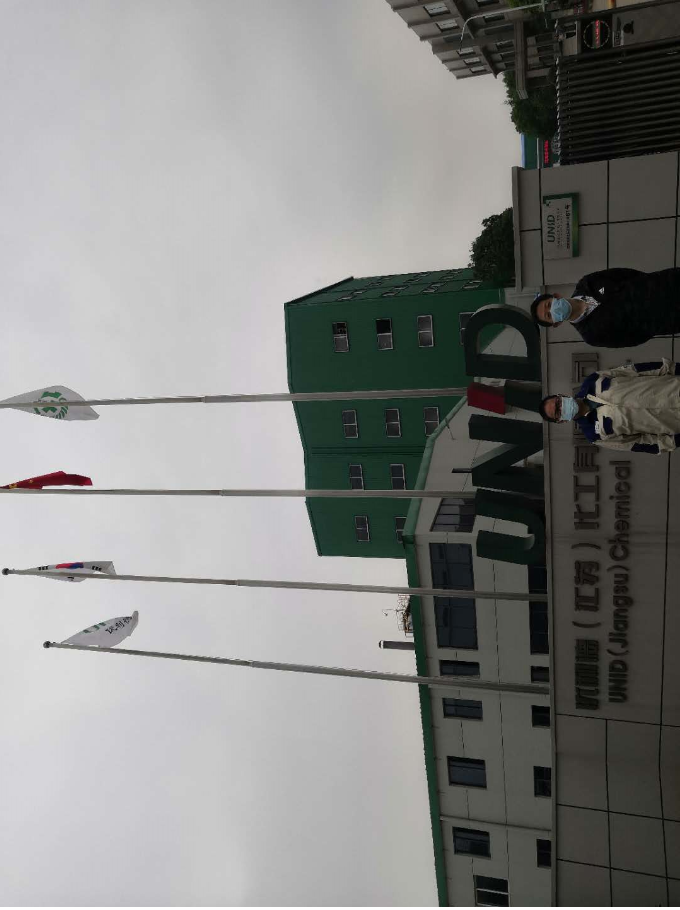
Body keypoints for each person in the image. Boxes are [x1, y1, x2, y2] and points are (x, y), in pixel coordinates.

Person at [539, 358, 680, 454]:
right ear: (561, 421)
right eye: (558, 412)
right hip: (674, 422)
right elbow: (637, 443)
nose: (561, 407)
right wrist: (673, 441)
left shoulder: (592, 380)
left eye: (558, 403)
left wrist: (674, 368)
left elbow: (635, 371)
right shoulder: (594, 435)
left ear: (562, 396)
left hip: (674, 388)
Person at [531, 267, 680, 347]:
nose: (552, 310)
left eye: (549, 305)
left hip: (667, 283)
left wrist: (647, 284)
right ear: (556, 323)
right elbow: (631, 339)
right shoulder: (591, 335)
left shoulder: (587, 283)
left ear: (556, 296)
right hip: (669, 318)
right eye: (549, 315)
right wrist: (652, 325)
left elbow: (623, 273)